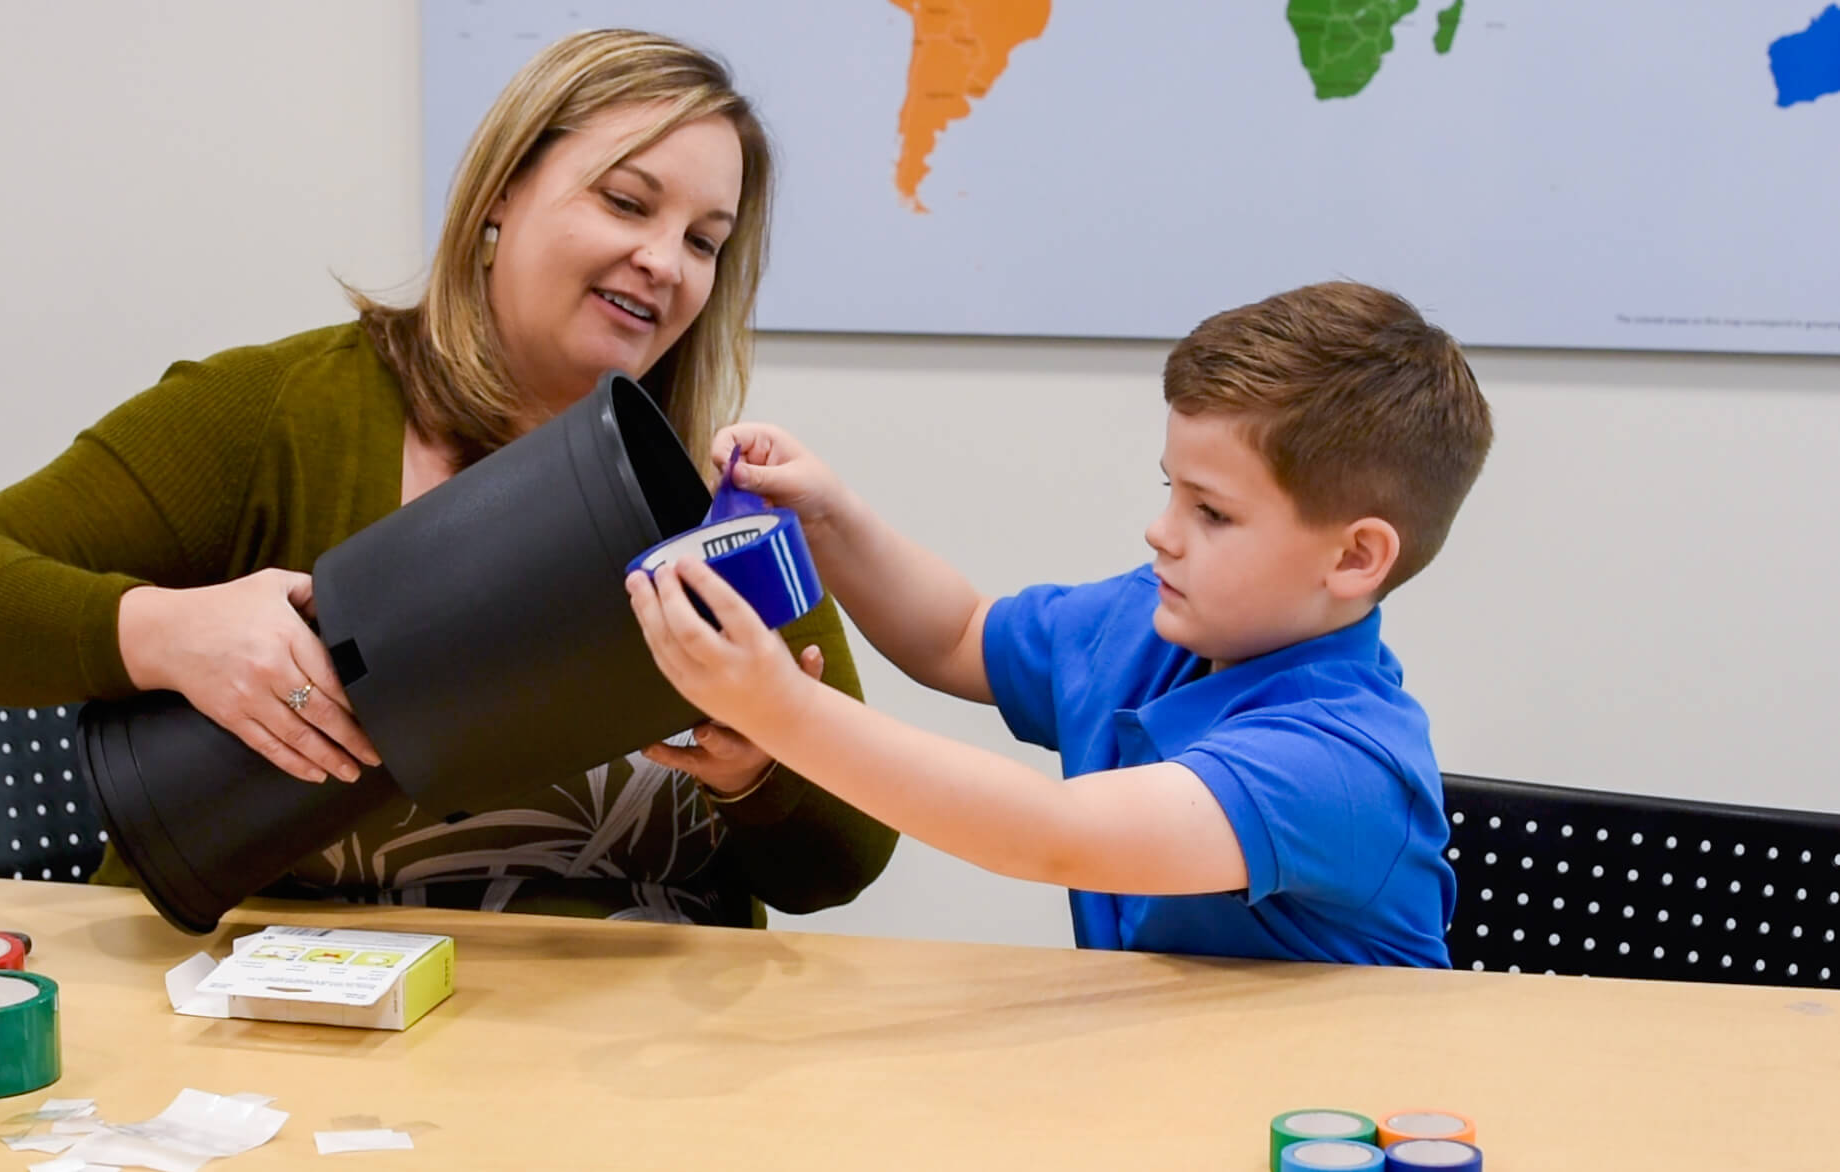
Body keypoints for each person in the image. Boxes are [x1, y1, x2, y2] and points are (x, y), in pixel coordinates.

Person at [0, 29, 896, 927]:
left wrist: (756, 767)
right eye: (626, 201)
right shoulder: (281, 412)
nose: (663, 261)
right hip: (282, 1028)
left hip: (630, 1056)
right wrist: (166, 633)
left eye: (703, 241)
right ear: (502, 188)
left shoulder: (716, 510)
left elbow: (842, 859)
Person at [629, 281, 1494, 964]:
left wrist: (787, 712)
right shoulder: (1153, 622)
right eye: (1171, 491)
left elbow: (1058, 837)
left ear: (1353, 559)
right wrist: (833, 519)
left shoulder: (1340, 766)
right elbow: (958, 635)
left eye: (1213, 513)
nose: (1163, 531)